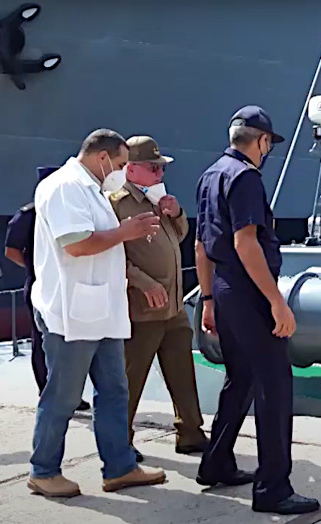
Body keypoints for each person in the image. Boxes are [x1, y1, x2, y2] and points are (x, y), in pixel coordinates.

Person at [27, 129, 166, 497]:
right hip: (71, 313)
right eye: (120, 164)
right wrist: (126, 232)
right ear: (101, 157)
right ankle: (43, 471)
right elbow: (76, 245)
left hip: (100, 311)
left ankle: (120, 467)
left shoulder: (93, 190)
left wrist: (126, 233)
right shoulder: (65, 188)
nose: (121, 171)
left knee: (114, 390)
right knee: (63, 395)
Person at [194, 106, 319, 515]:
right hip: (248, 291)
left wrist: (209, 300)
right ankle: (272, 488)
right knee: (274, 386)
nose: (268, 152)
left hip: (225, 291)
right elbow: (246, 243)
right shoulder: (246, 178)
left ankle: (216, 461)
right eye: (269, 144)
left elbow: (201, 246)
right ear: (261, 141)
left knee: (241, 377)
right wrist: (276, 301)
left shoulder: (210, 175)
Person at [109, 136, 209, 463]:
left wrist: (177, 213)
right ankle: (119, 442)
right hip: (143, 308)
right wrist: (142, 282)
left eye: (161, 167)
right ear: (132, 169)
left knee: (182, 372)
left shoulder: (158, 199)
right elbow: (109, 256)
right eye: (154, 167)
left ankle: (191, 433)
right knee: (130, 377)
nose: (160, 173)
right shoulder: (116, 204)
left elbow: (177, 237)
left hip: (173, 306)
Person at [4, 166, 89, 411]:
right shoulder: (28, 214)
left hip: (68, 283)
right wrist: (36, 267)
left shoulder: (68, 213)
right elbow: (10, 251)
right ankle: (47, 391)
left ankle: (71, 393)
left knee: (71, 340)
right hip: (40, 284)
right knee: (42, 341)